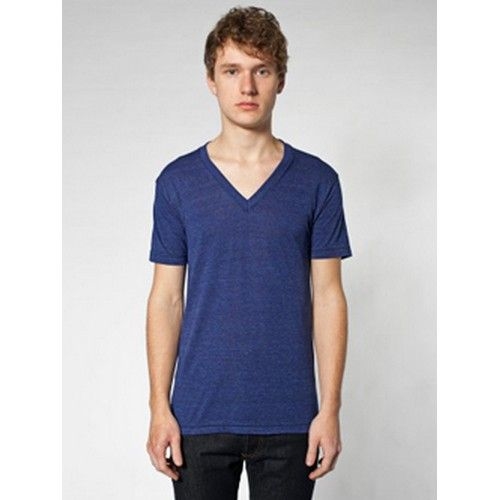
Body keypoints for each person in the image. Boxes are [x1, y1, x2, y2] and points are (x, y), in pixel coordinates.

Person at [145, 6, 352, 500]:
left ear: (280, 80)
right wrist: (159, 407)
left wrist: (330, 409)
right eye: (232, 71)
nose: (247, 87)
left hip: (291, 418)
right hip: (198, 416)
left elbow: (328, 296)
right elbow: (166, 299)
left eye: (261, 70)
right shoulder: (177, 183)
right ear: (210, 81)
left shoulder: (317, 182)